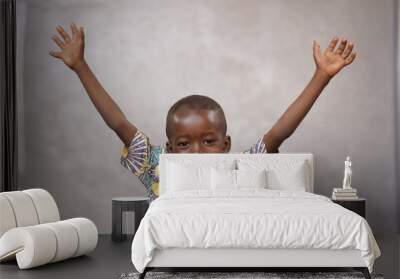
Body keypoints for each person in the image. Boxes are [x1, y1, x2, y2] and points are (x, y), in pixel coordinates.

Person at [49, 23, 357, 202]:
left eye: (208, 141)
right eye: (184, 144)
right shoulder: (156, 165)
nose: (196, 152)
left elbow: (279, 133)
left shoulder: (241, 165)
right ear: (168, 149)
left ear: (226, 145)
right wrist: (81, 67)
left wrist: (321, 77)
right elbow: (117, 121)